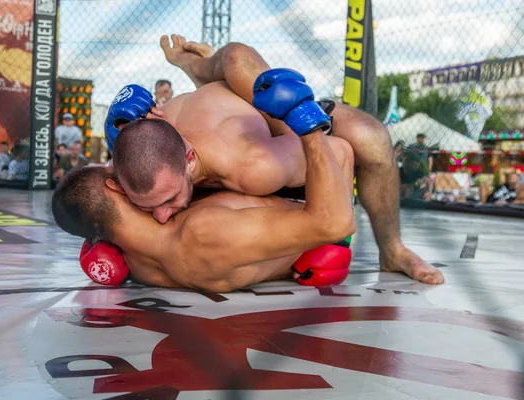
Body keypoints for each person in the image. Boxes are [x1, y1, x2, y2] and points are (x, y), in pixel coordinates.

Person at [103, 35, 443, 285]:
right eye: (150, 207)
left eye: (167, 201)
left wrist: (334, 240)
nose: (160, 217)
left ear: (189, 160)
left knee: (372, 138)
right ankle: (203, 73)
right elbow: (101, 186)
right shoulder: (140, 143)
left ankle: (393, 250)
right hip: (213, 122)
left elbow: (339, 152)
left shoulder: (253, 165)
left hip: (262, 126)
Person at [53, 70, 355, 292]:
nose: (162, 214)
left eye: (168, 200)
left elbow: (87, 201)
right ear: (115, 184)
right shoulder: (204, 232)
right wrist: (309, 125)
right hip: (308, 201)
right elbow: (334, 220)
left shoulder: (135, 266)